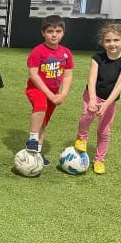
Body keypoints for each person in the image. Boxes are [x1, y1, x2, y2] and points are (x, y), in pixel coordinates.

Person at [74, 24, 121, 174]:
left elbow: (119, 86)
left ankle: (99, 160)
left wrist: (106, 104)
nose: (112, 44)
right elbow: (92, 79)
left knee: (104, 131)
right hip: (92, 94)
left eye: (116, 40)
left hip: (110, 101)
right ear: (103, 42)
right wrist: (93, 99)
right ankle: (82, 138)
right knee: (87, 116)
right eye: (108, 40)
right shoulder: (97, 58)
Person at [25, 15, 74, 165]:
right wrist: (50, 95)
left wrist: (62, 94)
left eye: (58, 31)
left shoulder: (66, 53)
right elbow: (33, 74)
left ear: (63, 32)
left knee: (44, 123)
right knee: (41, 106)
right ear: (43, 33)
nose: (54, 34)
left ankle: (37, 154)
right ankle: (32, 139)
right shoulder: (38, 51)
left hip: (54, 94)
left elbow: (67, 76)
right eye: (50, 31)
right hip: (36, 89)